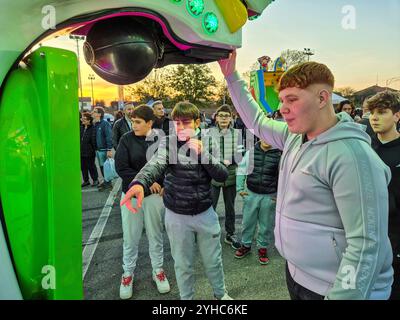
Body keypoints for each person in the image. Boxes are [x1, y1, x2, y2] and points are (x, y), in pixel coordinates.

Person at [218, 50, 393, 300]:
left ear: (322, 98)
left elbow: (366, 245)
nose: (282, 108)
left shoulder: (353, 156)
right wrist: (231, 76)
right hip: (297, 276)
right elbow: (256, 122)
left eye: (292, 99)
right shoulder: (294, 136)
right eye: (281, 100)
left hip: (332, 290)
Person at [120, 101, 232, 300]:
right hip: (177, 215)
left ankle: (220, 294)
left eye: (185, 122)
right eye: (176, 123)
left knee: (213, 261)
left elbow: (222, 175)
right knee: (182, 264)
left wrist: (203, 154)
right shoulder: (168, 142)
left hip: (205, 212)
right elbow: (156, 162)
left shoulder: (208, 140)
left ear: (198, 122)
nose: (180, 127)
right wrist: (139, 182)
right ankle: (186, 298)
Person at [115, 105, 170, 300]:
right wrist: (147, 183)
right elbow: (121, 168)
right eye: (132, 121)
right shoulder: (126, 139)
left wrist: (163, 183)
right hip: (131, 196)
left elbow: (167, 165)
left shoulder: (161, 139)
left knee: (156, 235)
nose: (134, 125)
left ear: (150, 122)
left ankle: (158, 271)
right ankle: (127, 274)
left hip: (155, 198)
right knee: (131, 237)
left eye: (138, 122)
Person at [366, 91, 400, 300]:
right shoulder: (363, 146)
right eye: (372, 113)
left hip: (394, 237)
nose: (375, 117)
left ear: (397, 115)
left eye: (382, 112)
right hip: (365, 235)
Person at [235, 140, 281, 265]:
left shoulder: (280, 154)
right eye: (263, 136)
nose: (267, 140)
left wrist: (280, 195)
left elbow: (284, 176)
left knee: (266, 225)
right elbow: (242, 168)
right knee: (247, 222)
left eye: (269, 136)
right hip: (251, 194)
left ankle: (263, 248)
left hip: (269, 196)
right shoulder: (251, 152)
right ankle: (246, 245)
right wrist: (240, 188)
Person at [208, 104, 244, 250]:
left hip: (231, 175)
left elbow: (241, 153)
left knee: (230, 207)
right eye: (221, 115)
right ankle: (210, 233)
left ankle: (230, 233)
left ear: (231, 118)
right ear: (216, 117)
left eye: (226, 116)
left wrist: (232, 160)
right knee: (210, 206)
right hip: (213, 175)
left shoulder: (237, 133)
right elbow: (205, 153)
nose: (223, 118)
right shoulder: (208, 133)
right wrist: (219, 161)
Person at [92, 106, 113, 191]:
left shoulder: (105, 123)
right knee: (101, 167)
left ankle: (108, 184)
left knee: (106, 167)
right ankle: (106, 182)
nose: (92, 113)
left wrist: (109, 149)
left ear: (99, 114)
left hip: (104, 150)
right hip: (98, 149)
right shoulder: (96, 123)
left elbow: (109, 136)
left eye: (94, 111)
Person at [80, 112, 99, 187]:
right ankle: (86, 181)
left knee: (91, 166)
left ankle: (95, 180)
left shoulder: (93, 128)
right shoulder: (81, 128)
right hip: (81, 151)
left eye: (84, 119)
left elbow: (94, 140)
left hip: (89, 151)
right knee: (83, 167)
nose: (82, 120)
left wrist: (94, 149)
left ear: (89, 120)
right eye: (82, 118)